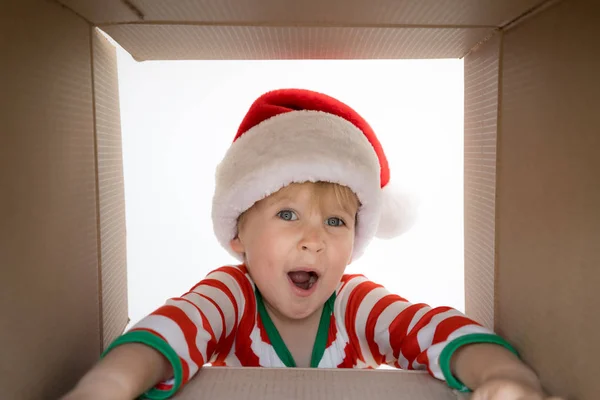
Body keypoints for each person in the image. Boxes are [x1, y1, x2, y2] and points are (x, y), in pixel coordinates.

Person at [62, 89, 561, 400]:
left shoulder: (353, 302)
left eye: (336, 222)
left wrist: (503, 375)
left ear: (356, 241)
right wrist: (107, 384)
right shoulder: (232, 295)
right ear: (238, 233)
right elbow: (179, 326)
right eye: (286, 214)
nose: (313, 240)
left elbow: (425, 328)